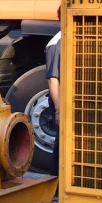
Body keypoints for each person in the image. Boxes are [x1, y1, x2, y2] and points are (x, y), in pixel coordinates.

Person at [44, 28, 61, 177]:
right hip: (62, 102)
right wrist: (58, 110)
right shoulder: (55, 45)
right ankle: (57, 181)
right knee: (62, 144)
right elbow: (53, 79)